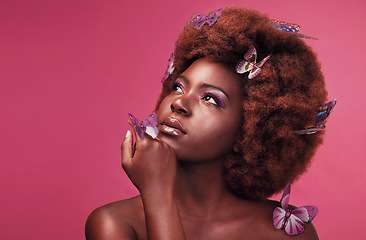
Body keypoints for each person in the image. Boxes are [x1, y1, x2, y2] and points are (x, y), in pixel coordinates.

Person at [85, 7, 329, 239]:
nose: (178, 103)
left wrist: (158, 193)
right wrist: (156, 193)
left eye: (210, 98)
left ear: (249, 132)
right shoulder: (115, 223)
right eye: (177, 87)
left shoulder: (283, 234)